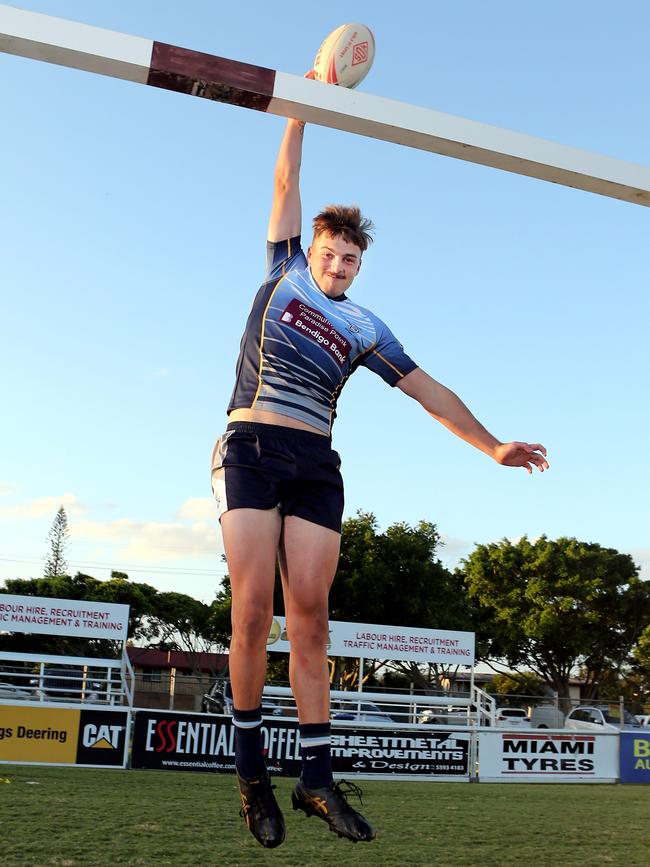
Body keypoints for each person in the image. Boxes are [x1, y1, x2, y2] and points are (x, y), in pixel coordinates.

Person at [211, 117, 549, 849]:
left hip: (316, 466)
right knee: (252, 609)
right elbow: (285, 181)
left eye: (349, 259)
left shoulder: (366, 326)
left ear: (360, 266)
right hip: (252, 444)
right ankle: (250, 775)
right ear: (313, 249)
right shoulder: (283, 269)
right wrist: (302, 104)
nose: (336, 266)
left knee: (309, 617)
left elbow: (428, 390)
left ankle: (315, 777)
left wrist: (491, 445)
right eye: (329, 253)